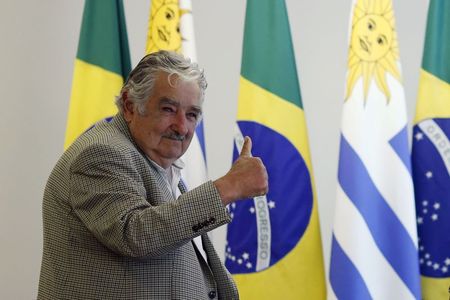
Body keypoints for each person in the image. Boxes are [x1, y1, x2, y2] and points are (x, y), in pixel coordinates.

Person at [38, 50, 268, 300]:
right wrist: (227, 187)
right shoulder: (102, 153)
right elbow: (134, 235)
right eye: (169, 109)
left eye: (192, 115)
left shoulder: (155, 159)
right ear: (129, 105)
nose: (182, 127)